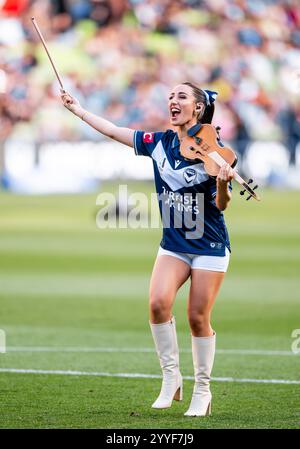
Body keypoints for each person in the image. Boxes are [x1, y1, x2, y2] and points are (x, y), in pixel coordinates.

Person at [61, 81, 234, 417]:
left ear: (198, 108)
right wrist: (78, 109)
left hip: (209, 244)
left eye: (181, 96)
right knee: (157, 304)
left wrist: (223, 182)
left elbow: (222, 205)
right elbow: (113, 131)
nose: (173, 100)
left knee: (198, 317)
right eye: (171, 96)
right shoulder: (159, 142)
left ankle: (203, 390)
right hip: (174, 243)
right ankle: (171, 379)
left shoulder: (214, 152)